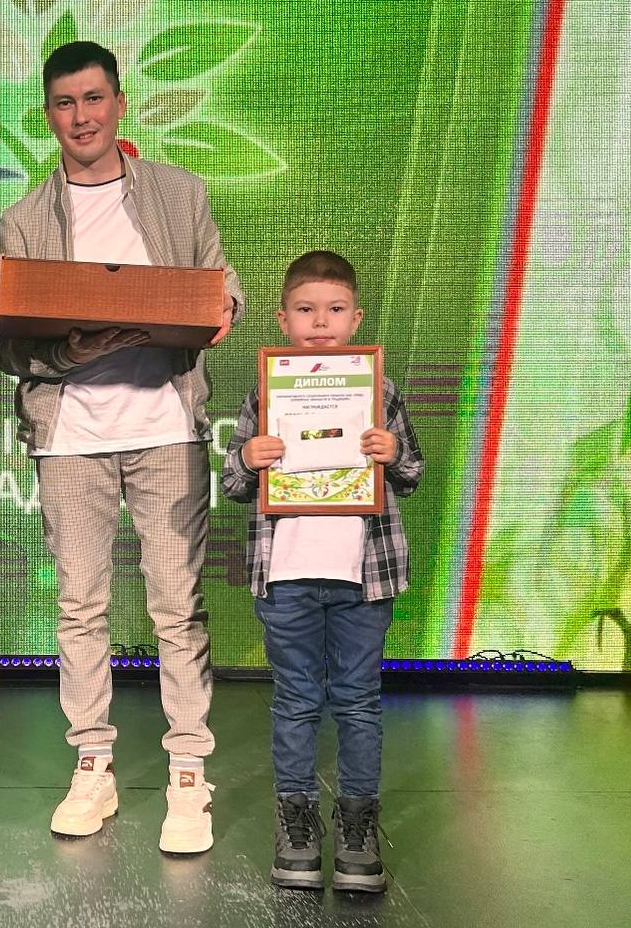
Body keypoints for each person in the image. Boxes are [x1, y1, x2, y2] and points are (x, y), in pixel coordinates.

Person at [0, 41, 243, 854]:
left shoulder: (179, 191)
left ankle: (188, 775)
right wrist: (74, 350)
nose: (82, 116)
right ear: (48, 115)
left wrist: (221, 308)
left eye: (94, 98)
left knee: (177, 605)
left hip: (165, 427)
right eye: (66, 103)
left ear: (120, 103)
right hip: (72, 435)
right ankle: (92, 766)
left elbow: (221, 283)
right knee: (80, 607)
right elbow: (10, 346)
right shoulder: (25, 218)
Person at [220, 250, 425, 892]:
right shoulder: (265, 392)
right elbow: (232, 483)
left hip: (364, 576)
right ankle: (297, 826)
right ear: (283, 320)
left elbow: (412, 473)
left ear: (355, 318)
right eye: (306, 310)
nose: (320, 322)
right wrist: (248, 458)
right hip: (287, 576)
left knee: (359, 701)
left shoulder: (379, 391)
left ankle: (358, 829)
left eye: (334, 310)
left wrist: (392, 452)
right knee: (296, 701)